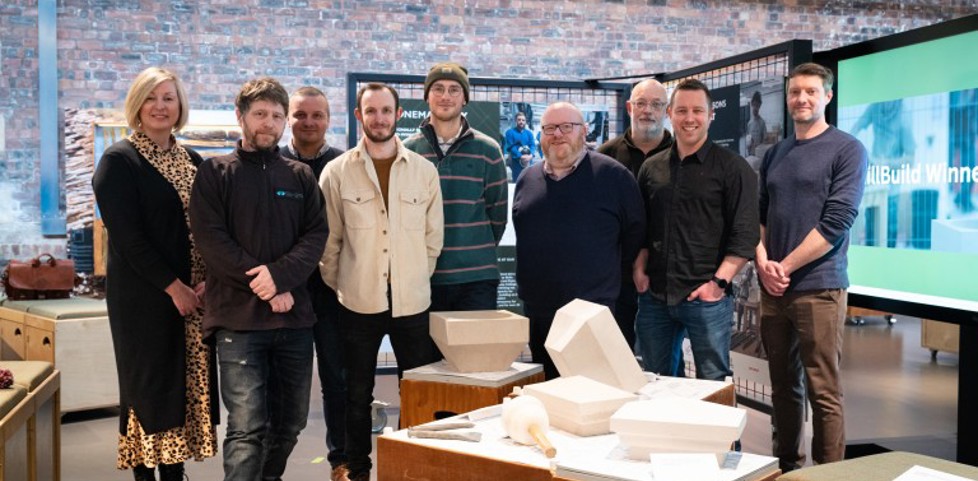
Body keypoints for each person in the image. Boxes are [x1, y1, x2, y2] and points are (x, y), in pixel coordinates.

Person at [189, 77, 328, 481]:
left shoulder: (300, 176)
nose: (269, 123)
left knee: (291, 424)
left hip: (295, 321)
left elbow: (316, 234)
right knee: (247, 428)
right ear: (241, 116)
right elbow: (212, 242)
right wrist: (265, 286)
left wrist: (280, 279)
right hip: (239, 323)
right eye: (260, 114)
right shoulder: (215, 173)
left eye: (277, 116)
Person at [92, 66, 218, 481]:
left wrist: (207, 279)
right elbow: (129, 240)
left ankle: (174, 473)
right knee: (149, 392)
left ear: (180, 105)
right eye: (152, 97)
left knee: (180, 391)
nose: (161, 106)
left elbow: (206, 226)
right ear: (137, 105)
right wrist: (173, 287)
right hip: (146, 299)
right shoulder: (119, 161)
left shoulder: (192, 159)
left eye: (169, 97)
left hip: (192, 298)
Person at [319, 83, 444, 481]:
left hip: (412, 302)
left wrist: (414, 278)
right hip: (358, 303)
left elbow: (432, 239)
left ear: (397, 114)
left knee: (417, 389)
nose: (379, 118)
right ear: (359, 116)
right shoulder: (337, 172)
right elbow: (329, 242)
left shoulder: (424, 171)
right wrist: (346, 284)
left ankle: (411, 465)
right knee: (356, 395)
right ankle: (356, 469)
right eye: (370, 111)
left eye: (386, 111)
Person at [756, 62, 868, 472]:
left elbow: (837, 223)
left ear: (827, 96)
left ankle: (828, 473)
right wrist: (764, 261)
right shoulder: (776, 153)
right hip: (774, 290)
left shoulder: (847, 149)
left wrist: (781, 265)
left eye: (810, 92)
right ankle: (786, 467)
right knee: (783, 389)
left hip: (819, 287)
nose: (801, 99)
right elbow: (760, 216)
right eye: (795, 92)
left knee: (824, 390)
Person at [633, 78, 759, 381]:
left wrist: (717, 284)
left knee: (713, 381)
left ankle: (722, 432)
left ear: (711, 115)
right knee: (656, 380)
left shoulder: (734, 168)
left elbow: (745, 235)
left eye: (698, 111)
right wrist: (639, 268)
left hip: (707, 298)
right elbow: (641, 226)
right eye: (682, 111)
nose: (690, 119)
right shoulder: (652, 167)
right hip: (655, 297)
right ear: (670, 114)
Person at [512, 101, 645, 380]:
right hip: (542, 313)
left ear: (584, 131)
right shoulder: (527, 179)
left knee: (598, 393)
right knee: (550, 393)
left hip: (595, 312)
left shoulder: (615, 177)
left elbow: (634, 235)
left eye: (566, 127)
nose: (557, 134)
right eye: (549, 128)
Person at [280, 86, 348, 481]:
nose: (309, 122)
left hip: (332, 292)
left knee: (338, 380)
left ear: (329, 119)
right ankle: (270, 467)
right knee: (285, 388)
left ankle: (341, 460)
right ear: (289, 118)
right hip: (285, 293)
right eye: (300, 115)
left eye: (317, 115)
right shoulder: (274, 162)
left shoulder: (344, 165)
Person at [404, 62, 508, 311]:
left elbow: (498, 216)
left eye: (454, 90)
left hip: (476, 280)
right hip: (422, 278)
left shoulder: (488, 150)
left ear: (465, 99)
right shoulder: (407, 152)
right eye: (438, 89)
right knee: (423, 352)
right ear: (427, 96)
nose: (445, 96)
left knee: (474, 351)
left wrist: (470, 248)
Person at [598, 78, 674, 352]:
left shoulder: (681, 154)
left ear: (667, 111)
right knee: (618, 352)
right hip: (616, 276)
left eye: (656, 104)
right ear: (629, 107)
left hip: (668, 276)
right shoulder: (605, 157)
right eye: (641, 103)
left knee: (663, 361)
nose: (647, 110)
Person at [504, 111, 536, 181]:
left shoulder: (529, 133)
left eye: (523, 120)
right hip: (516, 161)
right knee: (517, 180)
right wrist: (520, 156)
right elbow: (511, 147)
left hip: (528, 160)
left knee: (529, 180)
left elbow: (532, 145)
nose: (521, 122)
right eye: (519, 120)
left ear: (525, 121)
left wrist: (531, 155)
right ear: (516, 121)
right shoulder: (510, 132)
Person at [747, 90, 768, 158]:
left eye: (757, 106)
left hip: (759, 156)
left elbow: (765, 140)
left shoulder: (762, 123)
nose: (755, 108)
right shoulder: (749, 124)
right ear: (752, 104)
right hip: (750, 154)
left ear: (759, 106)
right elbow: (748, 140)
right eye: (754, 105)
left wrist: (759, 148)